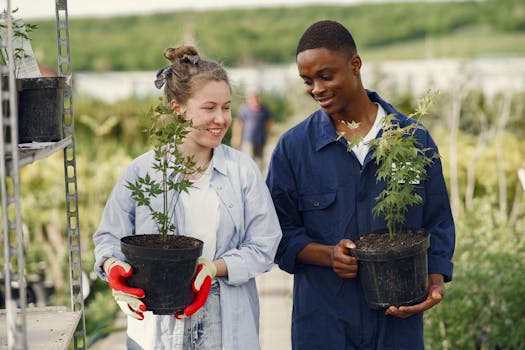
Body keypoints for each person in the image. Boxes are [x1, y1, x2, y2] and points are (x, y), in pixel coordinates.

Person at [266, 20, 455, 349]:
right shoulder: (293, 148)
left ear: (355, 65)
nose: (317, 89)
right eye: (307, 81)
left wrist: (435, 278)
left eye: (326, 76)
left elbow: (437, 219)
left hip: (398, 321)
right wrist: (328, 255)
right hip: (323, 322)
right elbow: (275, 234)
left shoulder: (413, 139)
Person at [93, 45, 282, 350]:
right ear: (178, 109)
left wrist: (213, 268)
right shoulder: (143, 172)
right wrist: (113, 266)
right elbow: (109, 236)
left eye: (226, 107)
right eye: (209, 108)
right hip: (158, 324)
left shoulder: (241, 171)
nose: (221, 118)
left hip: (226, 321)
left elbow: (264, 244)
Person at [231, 89, 272, 171]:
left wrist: (269, 135)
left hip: (261, 140)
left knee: (260, 162)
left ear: (258, 97)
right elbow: (238, 124)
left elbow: (268, 123)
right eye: (252, 98)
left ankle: (259, 179)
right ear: (248, 99)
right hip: (248, 140)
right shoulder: (244, 109)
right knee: (248, 161)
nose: (254, 99)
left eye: (256, 97)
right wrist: (236, 137)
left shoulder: (264, 109)